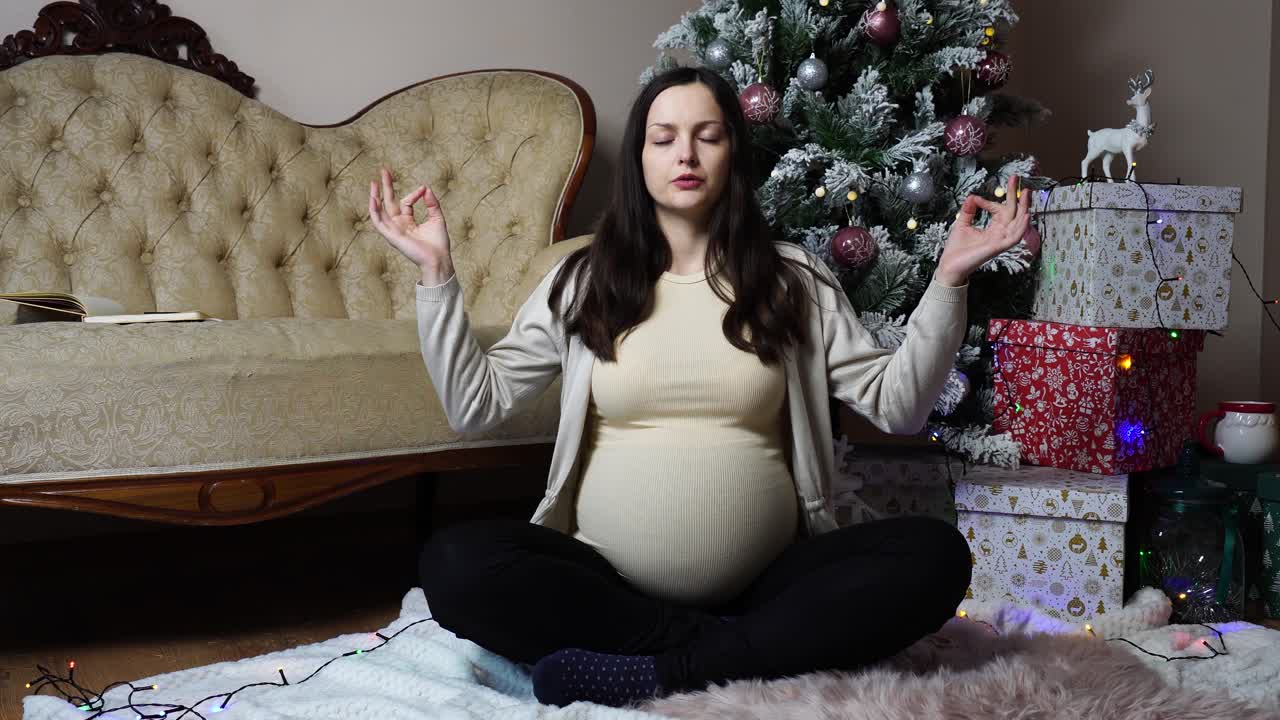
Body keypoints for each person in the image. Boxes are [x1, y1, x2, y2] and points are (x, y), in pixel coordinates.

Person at [368, 66, 1032, 708]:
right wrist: (436, 273)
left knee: (934, 556)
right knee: (453, 564)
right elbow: (474, 405)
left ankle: (668, 668)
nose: (685, 154)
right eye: (664, 139)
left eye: (707, 136)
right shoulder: (584, 280)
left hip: (771, 582)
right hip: (610, 590)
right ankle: (734, 650)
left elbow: (900, 407)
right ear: (641, 159)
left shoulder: (792, 280)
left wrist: (950, 280)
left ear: (732, 154)